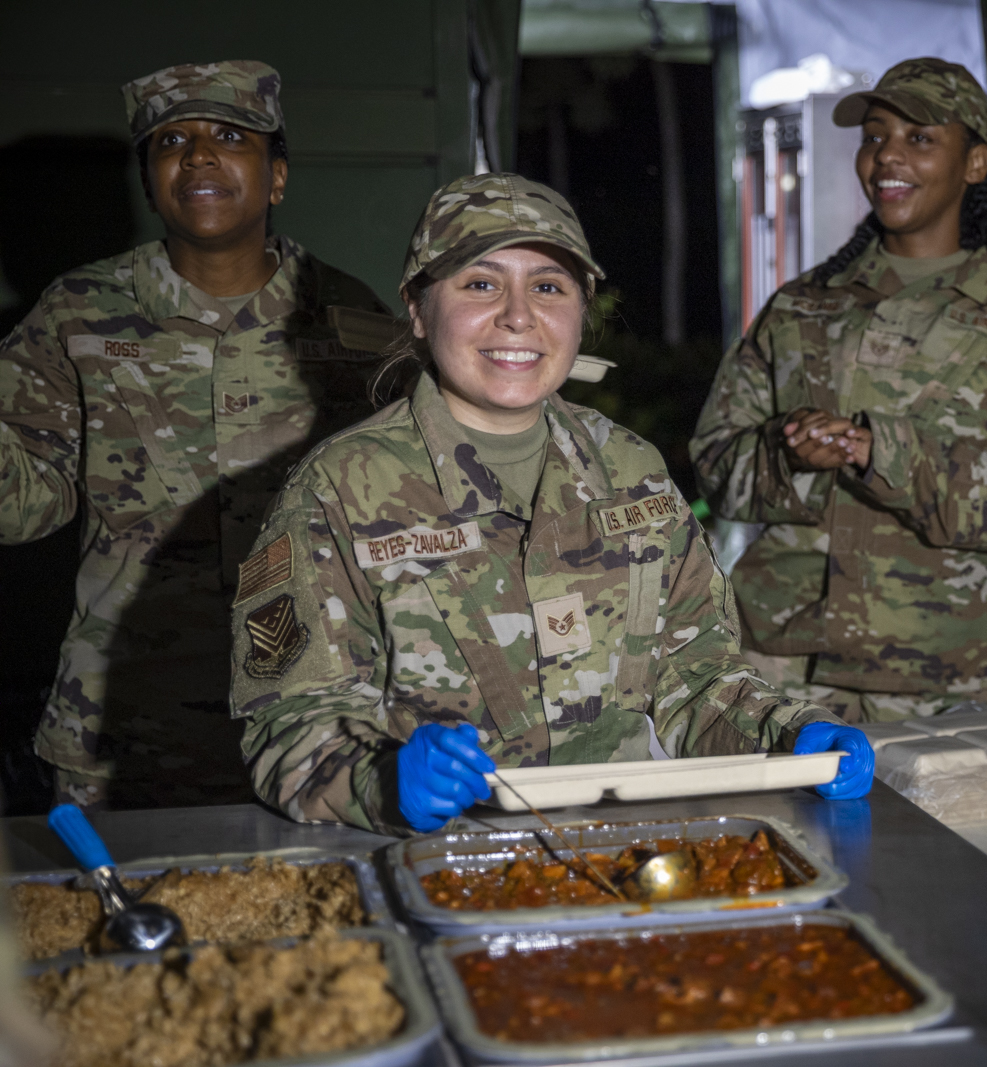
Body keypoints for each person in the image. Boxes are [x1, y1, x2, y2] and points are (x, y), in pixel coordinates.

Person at [229, 174, 872, 834]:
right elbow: (289, 721)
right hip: (432, 866)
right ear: (419, 310)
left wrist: (791, 733)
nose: (518, 315)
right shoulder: (339, 489)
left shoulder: (632, 472)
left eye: (548, 286)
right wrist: (381, 780)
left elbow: (694, 676)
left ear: (580, 310)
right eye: (480, 283)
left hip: (623, 857)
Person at [0, 61, 393, 810]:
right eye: (170, 140)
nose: (199, 154)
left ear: (276, 176)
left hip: (311, 726)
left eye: (230, 135)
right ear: (151, 182)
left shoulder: (350, 322)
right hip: (125, 728)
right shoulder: (77, 314)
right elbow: (27, 505)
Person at [690, 57, 987, 723]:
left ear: (974, 163)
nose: (887, 158)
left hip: (940, 675)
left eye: (920, 138)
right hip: (775, 664)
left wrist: (886, 454)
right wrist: (786, 455)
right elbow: (715, 463)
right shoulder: (802, 306)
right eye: (875, 136)